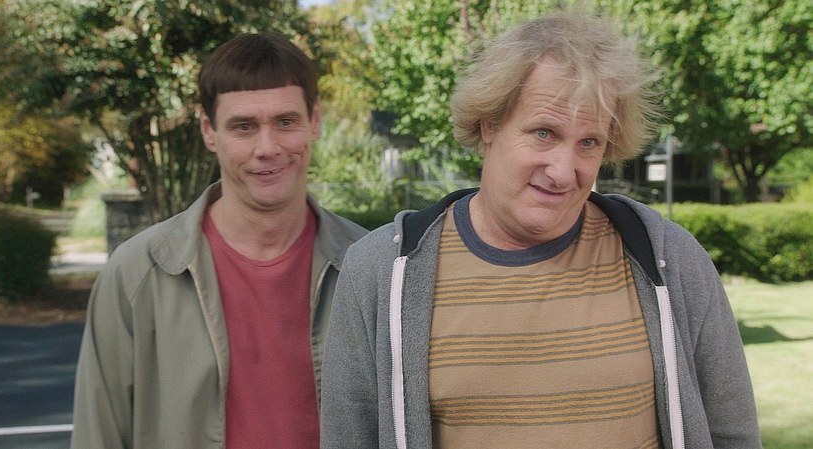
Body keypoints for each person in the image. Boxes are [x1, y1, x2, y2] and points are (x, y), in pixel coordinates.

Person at [320, 8, 761, 449]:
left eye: (588, 142)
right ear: (489, 124)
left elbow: (732, 434)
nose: (564, 172)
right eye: (544, 133)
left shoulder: (668, 259)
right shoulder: (381, 273)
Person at [70, 33, 368, 449]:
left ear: (314, 121)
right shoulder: (138, 274)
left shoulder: (371, 267)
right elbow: (98, 435)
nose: (267, 147)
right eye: (244, 127)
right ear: (209, 130)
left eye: (285, 122)